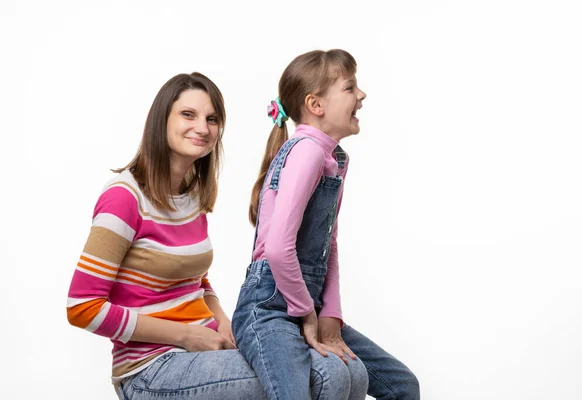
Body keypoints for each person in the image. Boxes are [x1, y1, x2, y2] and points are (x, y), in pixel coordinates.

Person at [66, 72, 355, 400]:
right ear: (161, 119)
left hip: (203, 351)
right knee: (323, 375)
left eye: (212, 119)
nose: (202, 128)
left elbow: (196, 281)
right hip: (149, 368)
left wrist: (222, 321)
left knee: (351, 371)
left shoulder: (190, 195)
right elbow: (82, 306)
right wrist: (187, 336)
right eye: (188, 115)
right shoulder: (124, 198)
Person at [232, 50, 420, 400]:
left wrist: (330, 312)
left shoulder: (335, 158)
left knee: (402, 387)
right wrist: (307, 313)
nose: (361, 96)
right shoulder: (306, 151)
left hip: (309, 302)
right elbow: (276, 248)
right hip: (269, 307)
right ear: (315, 105)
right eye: (350, 88)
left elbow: (327, 244)